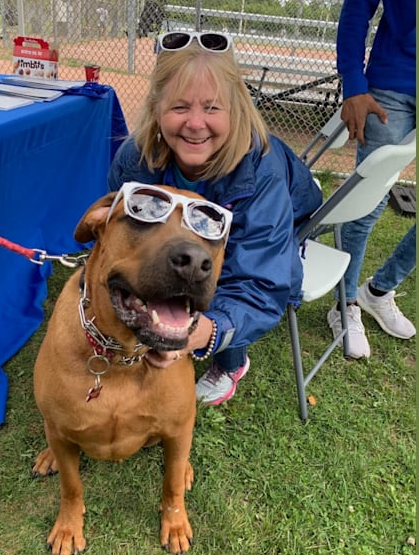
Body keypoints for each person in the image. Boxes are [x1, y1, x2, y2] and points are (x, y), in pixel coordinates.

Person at [107, 30, 322, 405]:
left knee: (219, 275)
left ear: (236, 109)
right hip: (201, 227)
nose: (195, 123)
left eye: (211, 108)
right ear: (156, 108)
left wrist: (205, 332)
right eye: (179, 107)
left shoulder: (262, 170)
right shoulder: (133, 158)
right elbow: (120, 239)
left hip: (285, 212)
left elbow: (260, 279)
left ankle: (231, 363)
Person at [328, 0, 417, 359]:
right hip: (392, 84)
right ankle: (344, 304)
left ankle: (377, 292)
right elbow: (358, 5)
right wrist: (354, 83)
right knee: (369, 201)